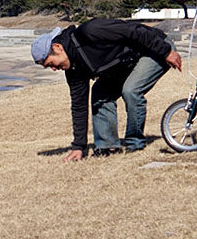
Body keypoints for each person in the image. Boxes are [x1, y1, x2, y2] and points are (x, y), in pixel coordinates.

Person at [31, 19, 182, 162]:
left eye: (51, 63)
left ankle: (134, 144)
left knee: (131, 90)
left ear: (57, 47)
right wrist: (79, 147)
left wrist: (166, 52)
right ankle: (107, 146)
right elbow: (79, 106)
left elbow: (132, 30)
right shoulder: (74, 70)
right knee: (100, 94)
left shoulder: (90, 31)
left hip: (153, 48)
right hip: (127, 62)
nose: (53, 69)